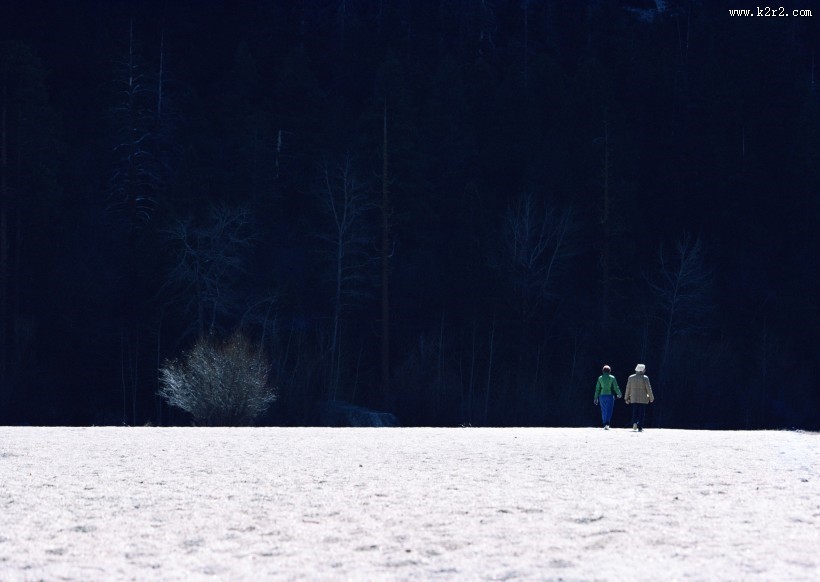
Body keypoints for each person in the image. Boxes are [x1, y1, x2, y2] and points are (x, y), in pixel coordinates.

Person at [624, 363, 654, 432]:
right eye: (644, 369)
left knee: (635, 411)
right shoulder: (645, 378)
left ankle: (634, 422)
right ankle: (640, 427)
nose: (645, 370)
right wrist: (651, 398)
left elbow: (628, 388)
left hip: (634, 397)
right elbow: (648, 389)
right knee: (641, 412)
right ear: (641, 370)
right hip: (643, 398)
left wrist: (626, 398)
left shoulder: (631, 377)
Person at [593, 365, 621, 429]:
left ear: (603, 371)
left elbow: (597, 389)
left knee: (603, 410)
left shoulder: (600, 378)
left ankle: (604, 423)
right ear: (609, 371)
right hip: (610, 395)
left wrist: (595, 398)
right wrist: (619, 393)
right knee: (609, 410)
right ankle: (607, 423)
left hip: (602, 395)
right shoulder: (612, 377)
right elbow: (616, 387)